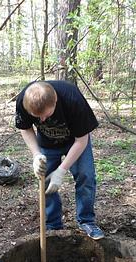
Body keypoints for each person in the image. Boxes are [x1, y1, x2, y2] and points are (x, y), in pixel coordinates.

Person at [15, 80, 104, 239]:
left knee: (86, 176)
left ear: (55, 100)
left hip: (75, 142)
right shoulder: (23, 100)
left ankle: (86, 221)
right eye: (37, 117)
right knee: (46, 180)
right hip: (47, 144)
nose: (42, 120)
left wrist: (61, 170)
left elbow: (81, 141)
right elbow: (25, 128)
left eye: (46, 115)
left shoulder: (72, 99)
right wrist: (36, 154)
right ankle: (53, 226)